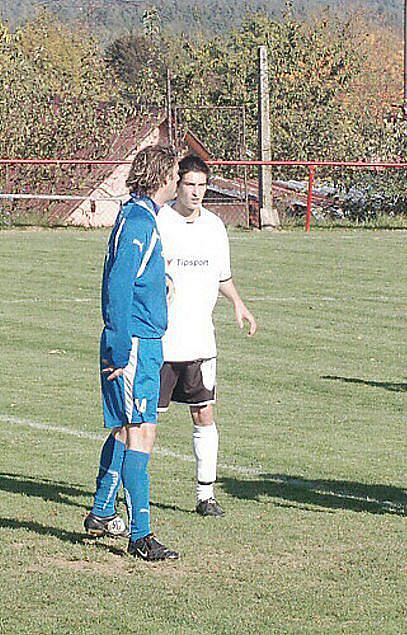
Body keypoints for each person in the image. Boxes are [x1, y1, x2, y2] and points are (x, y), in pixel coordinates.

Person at [84, 144, 180, 561]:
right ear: (161, 178)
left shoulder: (141, 218)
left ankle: (103, 512)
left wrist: (163, 283)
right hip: (135, 344)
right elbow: (118, 287)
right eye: (175, 176)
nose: (177, 182)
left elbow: (136, 279)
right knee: (140, 431)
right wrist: (120, 349)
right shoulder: (139, 222)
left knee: (127, 429)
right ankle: (140, 534)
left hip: (144, 340)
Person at [157, 155, 257, 516]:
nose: (196, 192)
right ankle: (129, 491)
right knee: (145, 421)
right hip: (162, 341)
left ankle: (205, 495)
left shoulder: (215, 227)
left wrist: (239, 304)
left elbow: (221, 276)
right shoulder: (159, 221)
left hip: (200, 341)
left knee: (204, 414)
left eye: (202, 186)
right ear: (177, 184)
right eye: (190, 185)